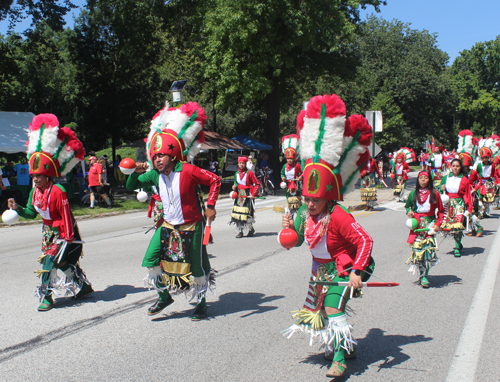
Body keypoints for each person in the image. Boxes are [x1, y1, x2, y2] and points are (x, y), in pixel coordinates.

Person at [282, 94, 375, 379]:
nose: (309, 204)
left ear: (328, 196)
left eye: (315, 199)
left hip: (346, 267)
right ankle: (345, 346)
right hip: (319, 271)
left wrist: (357, 271)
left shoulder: (338, 215)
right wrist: (286, 229)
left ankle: (339, 361)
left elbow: (365, 241)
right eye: (307, 198)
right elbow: (295, 241)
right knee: (321, 310)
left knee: (333, 307)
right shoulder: (302, 214)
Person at [126, 101, 221, 320]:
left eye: (161, 155)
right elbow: (131, 186)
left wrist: (211, 206)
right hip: (167, 226)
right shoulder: (153, 176)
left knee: (196, 268)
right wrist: (131, 171)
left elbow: (215, 180)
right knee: (150, 261)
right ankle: (163, 296)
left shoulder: (188, 170)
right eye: (155, 156)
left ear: (173, 154)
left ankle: (201, 302)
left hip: (192, 226)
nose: (157, 159)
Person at [8, 113, 92, 311]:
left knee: (48, 263)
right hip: (47, 233)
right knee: (61, 262)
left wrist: (68, 237)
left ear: (48, 175)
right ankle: (83, 286)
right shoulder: (34, 192)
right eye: (33, 175)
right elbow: (31, 213)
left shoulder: (58, 191)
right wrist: (17, 208)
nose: (35, 179)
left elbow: (66, 216)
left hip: (63, 232)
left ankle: (46, 296)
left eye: (39, 175)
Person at [405, 171, 444, 287]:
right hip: (417, 225)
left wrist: (438, 224)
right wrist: (409, 212)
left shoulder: (435, 194)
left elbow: (441, 211)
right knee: (417, 250)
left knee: (427, 250)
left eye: (425, 178)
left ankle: (424, 276)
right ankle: (422, 274)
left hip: (429, 224)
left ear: (429, 180)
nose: (422, 180)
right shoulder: (413, 194)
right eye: (420, 178)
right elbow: (408, 206)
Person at [440, 159, 473, 257]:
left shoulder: (464, 179)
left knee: (458, 225)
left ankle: (457, 246)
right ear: (450, 166)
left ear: (460, 167)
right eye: (453, 165)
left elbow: (468, 194)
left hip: (459, 204)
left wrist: (469, 208)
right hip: (448, 203)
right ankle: (458, 242)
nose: (455, 168)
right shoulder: (446, 177)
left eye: (457, 166)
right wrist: (441, 188)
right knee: (449, 226)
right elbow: (440, 191)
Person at [229, 156, 260, 238]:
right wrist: (234, 186)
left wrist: (253, 193)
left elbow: (257, 183)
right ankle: (240, 231)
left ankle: (251, 229)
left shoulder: (249, 173)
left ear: (245, 164)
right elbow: (236, 183)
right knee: (238, 213)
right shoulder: (236, 174)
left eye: (243, 163)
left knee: (247, 213)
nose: (241, 165)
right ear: (238, 164)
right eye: (240, 163)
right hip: (239, 196)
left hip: (247, 195)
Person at [280, 134, 302, 216]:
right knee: (289, 202)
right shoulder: (284, 166)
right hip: (287, 186)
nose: (289, 160)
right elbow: (282, 173)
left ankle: (299, 218)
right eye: (288, 159)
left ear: (294, 159)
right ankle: (291, 218)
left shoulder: (297, 166)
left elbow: (303, 172)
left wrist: (300, 177)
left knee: (297, 202)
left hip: (296, 186)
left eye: (291, 159)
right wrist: (282, 177)